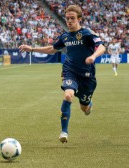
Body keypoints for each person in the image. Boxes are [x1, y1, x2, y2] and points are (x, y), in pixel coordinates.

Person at [19, 5, 106, 143]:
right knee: (67, 95)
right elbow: (52, 49)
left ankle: (88, 104)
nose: (69, 21)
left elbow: (101, 46)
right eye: (67, 18)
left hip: (87, 77)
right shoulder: (65, 37)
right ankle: (64, 132)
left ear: (79, 19)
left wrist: (94, 56)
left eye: (72, 18)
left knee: (85, 108)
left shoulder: (87, 33)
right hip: (70, 71)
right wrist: (32, 48)